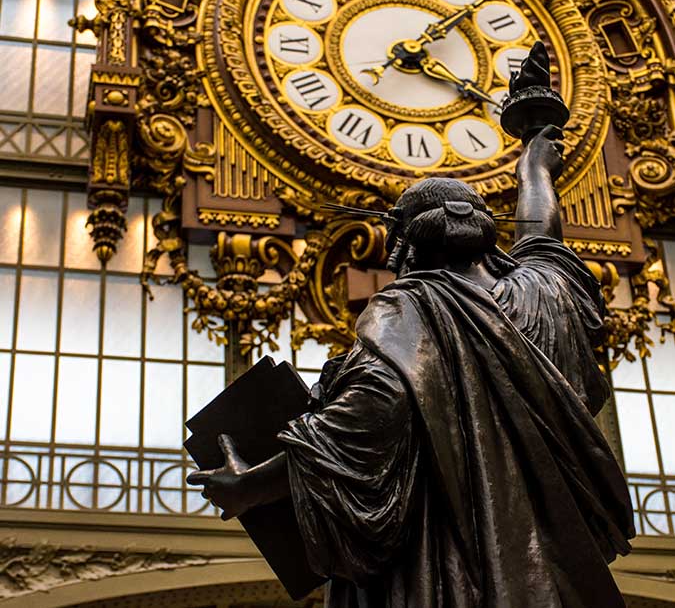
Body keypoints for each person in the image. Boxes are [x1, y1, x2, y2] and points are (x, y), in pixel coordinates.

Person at [187, 125, 635, 607]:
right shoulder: (547, 295)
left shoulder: (409, 309)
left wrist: (250, 485)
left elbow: (364, 420)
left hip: (449, 575)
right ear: (486, 237)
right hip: (557, 577)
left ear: (404, 247)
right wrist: (534, 168)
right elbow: (542, 235)